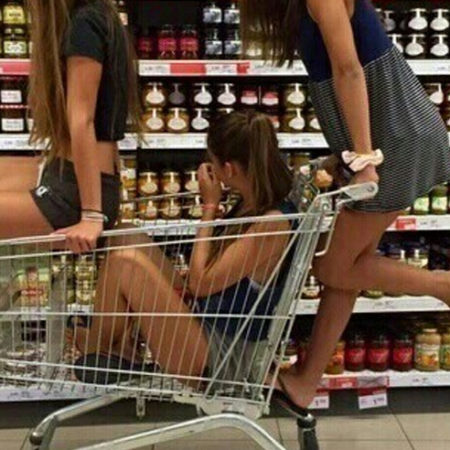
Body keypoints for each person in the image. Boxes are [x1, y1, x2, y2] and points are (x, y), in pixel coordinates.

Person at [241, 0, 450, 411]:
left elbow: (349, 70)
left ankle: (442, 285)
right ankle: (305, 382)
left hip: (394, 140)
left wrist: (364, 159)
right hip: (390, 136)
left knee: (331, 267)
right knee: (347, 271)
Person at [70, 111, 298, 385]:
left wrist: (209, 207)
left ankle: (98, 348)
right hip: (206, 321)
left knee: (125, 263)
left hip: (222, 356)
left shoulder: (272, 225)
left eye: (212, 162)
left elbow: (200, 283)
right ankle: (114, 348)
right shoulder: (252, 202)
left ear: (229, 170)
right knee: (125, 236)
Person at [0, 0, 140, 253]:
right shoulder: (96, 15)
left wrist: (91, 215)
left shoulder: (84, 23)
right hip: (71, 177)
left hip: (75, 195)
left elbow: (82, 120)